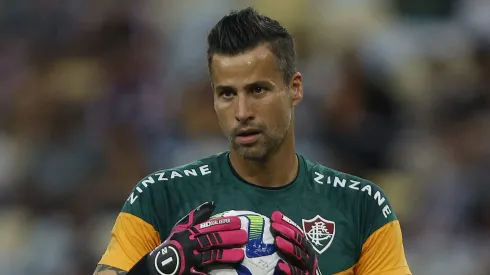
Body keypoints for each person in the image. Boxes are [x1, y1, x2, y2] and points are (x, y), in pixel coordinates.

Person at [94, 7, 412, 275]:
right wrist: (161, 265)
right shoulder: (160, 196)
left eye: (258, 90)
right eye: (227, 94)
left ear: (295, 89)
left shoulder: (362, 206)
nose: (242, 112)